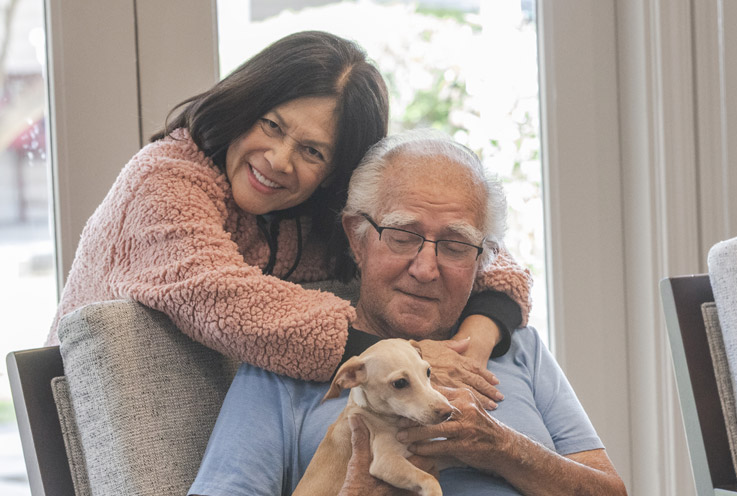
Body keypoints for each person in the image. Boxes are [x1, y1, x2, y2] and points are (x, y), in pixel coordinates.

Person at [46, 30, 532, 392]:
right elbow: (230, 304)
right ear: (244, 104)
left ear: (336, 172)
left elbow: (478, 252)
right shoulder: (162, 179)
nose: (278, 160)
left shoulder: (316, 212)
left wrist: (478, 336)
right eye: (271, 125)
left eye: (313, 152)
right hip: (108, 414)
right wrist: (405, 356)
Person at [187, 130, 627, 496]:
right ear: (358, 238)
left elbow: (611, 491)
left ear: (482, 260)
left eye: (455, 245)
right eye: (401, 235)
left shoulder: (518, 348)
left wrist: (503, 449)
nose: (425, 268)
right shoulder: (282, 361)